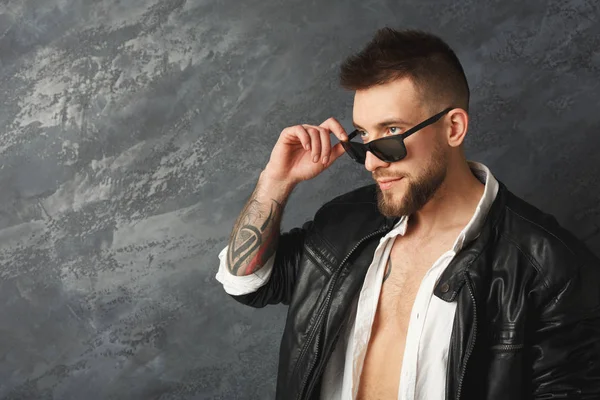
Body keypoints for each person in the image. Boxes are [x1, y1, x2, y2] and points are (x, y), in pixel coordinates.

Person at [215, 27, 600, 400]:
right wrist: (275, 182)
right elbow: (248, 282)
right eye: (364, 137)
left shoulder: (552, 271)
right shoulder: (344, 223)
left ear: (453, 127)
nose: (371, 163)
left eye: (392, 131)